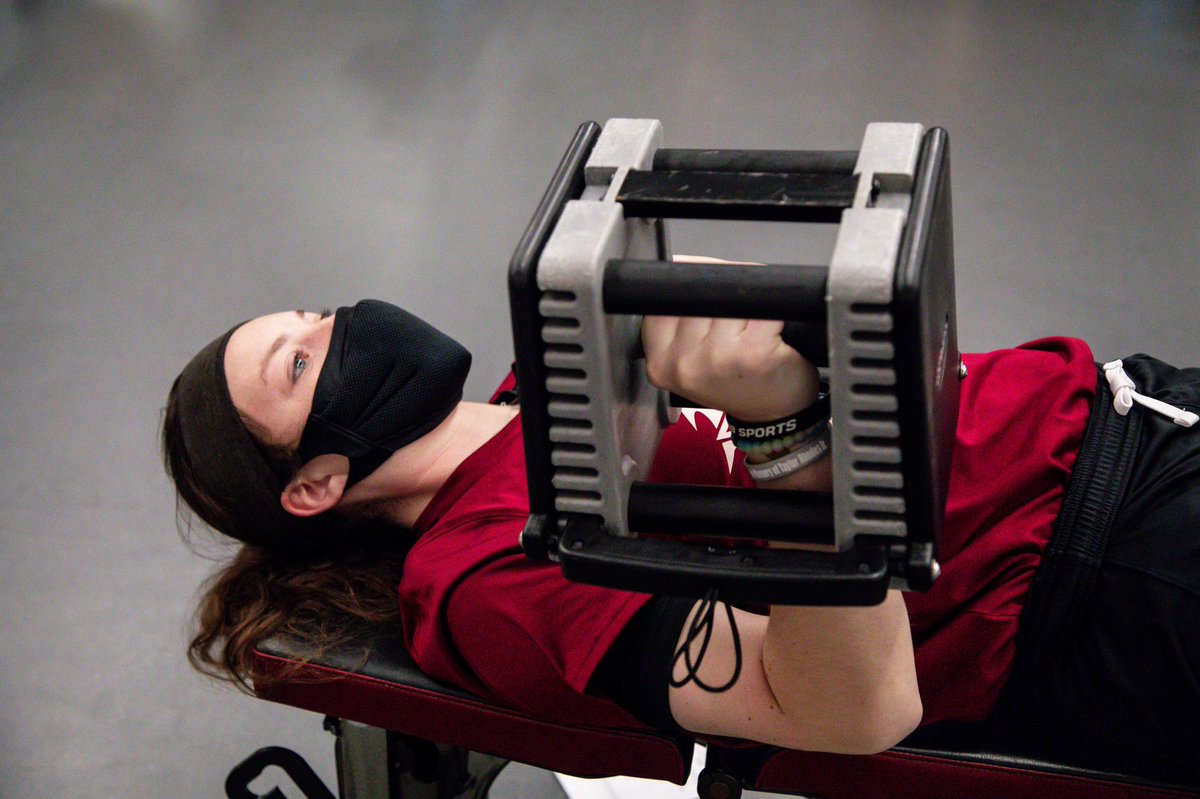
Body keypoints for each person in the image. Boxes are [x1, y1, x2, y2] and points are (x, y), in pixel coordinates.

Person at [162, 298, 1200, 769]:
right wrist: (787, 441)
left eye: (313, 316)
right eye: (297, 366)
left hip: (1133, 410)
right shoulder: (479, 575)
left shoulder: (556, 377)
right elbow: (853, 708)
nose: (336, 330)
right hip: (1116, 575)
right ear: (315, 483)